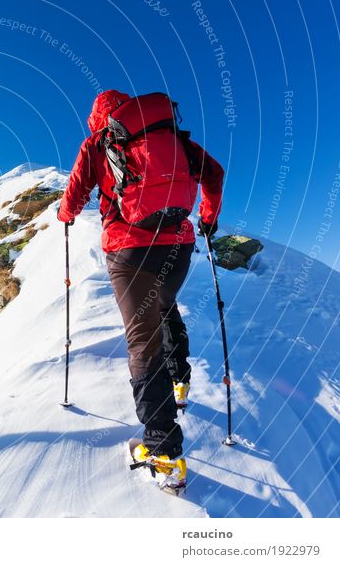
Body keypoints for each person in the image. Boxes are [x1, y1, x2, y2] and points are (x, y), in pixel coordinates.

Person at [57, 89, 224, 489]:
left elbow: (76, 192)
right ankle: (180, 379)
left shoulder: (99, 142)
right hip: (178, 245)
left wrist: (65, 214)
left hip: (129, 250)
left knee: (142, 341)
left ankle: (163, 450)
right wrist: (207, 220)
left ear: (97, 118)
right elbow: (214, 174)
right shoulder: (169, 135)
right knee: (165, 307)